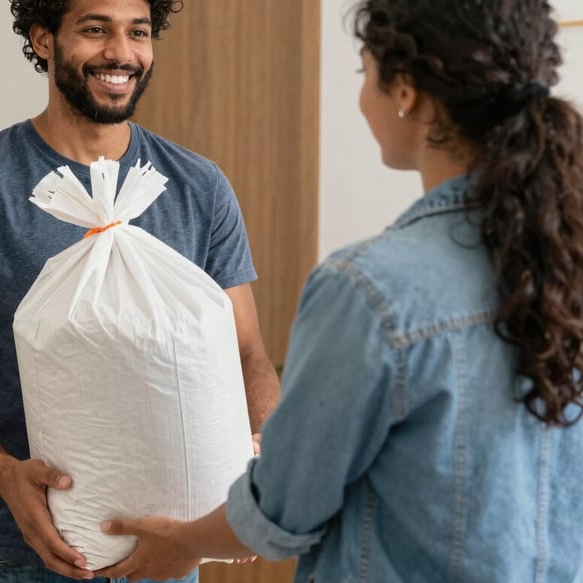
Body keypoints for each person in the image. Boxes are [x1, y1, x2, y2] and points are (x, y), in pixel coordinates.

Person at [95, 1, 583, 581]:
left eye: (365, 73)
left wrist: (183, 542)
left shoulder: (369, 291)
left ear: (407, 93)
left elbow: (282, 507)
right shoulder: (566, 262)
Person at [0, 0, 280, 581]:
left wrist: (260, 472)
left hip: (173, 555)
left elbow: (246, 352)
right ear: (44, 39)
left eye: (138, 32)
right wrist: (2, 472)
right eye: (96, 29)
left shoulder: (198, 187)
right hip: (21, 555)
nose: (122, 53)